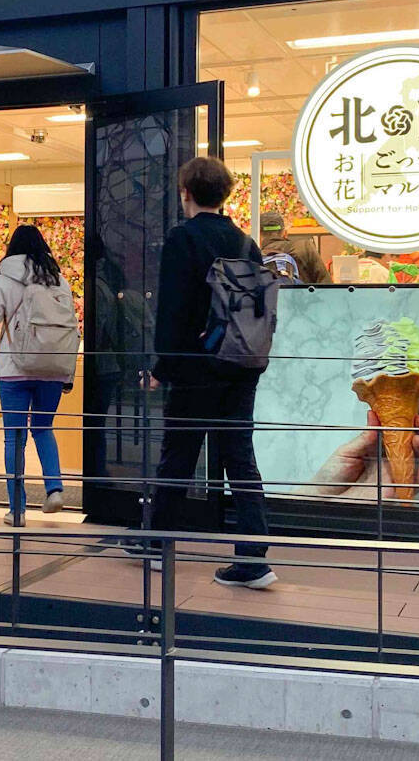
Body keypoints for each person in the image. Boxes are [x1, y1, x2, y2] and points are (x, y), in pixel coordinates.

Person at [135, 156, 277, 589]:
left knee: (178, 456)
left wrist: (162, 367)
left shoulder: (183, 239)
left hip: (197, 367)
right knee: (241, 459)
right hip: (241, 364)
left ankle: (157, 544)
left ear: (186, 193)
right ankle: (253, 560)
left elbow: (173, 310)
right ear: (225, 194)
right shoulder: (245, 243)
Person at [0, 225, 74, 526]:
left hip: (14, 369)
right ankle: (54, 488)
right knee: (44, 429)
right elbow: (71, 327)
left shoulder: (5, 281)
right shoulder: (59, 281)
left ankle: (17, 510)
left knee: (14, 438)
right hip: (52, 368)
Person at [258, 211, 331, 284]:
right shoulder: (304, 247)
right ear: (285, 233)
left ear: (259, 235)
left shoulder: (256, 257)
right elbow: (326, 284)